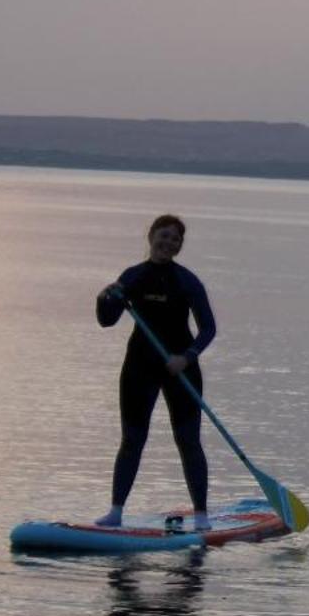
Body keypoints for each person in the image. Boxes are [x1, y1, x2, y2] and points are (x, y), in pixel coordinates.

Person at [94, 215, 217, 530]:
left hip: (181, 369)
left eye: (175, 239)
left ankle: (201, 516)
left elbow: (208, 328)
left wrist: (187, 358)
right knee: (132, 440)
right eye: (164, 236)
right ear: (150, 236)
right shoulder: (133, 277)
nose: (168, 242)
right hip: (140, 366)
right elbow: (107, 320)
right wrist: (104, 298)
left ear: (179, 246)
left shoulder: (187, 281)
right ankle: (115, 513)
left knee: (188, 440)